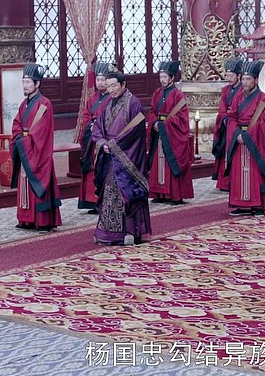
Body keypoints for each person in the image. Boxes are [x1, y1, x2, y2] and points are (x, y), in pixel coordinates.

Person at [91, 71, 152, 246]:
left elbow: (134, 131)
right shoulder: (107, 104)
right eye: (108, 86)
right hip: (110, 155)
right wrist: (102, 143)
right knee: (109, 193)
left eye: (114, 86)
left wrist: (113, 145)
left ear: (123, 84)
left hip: (127, 156)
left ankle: (130, 232)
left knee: (125, 192)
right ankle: (107, 232)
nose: (111, 90)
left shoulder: (133, 103)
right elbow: (98, 127)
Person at [10, 63, 62, 231]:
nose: (25, 86)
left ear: (37, 83)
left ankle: (43, 221)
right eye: (23, 82)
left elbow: (41, 131)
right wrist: (19, 137)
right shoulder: (23, 104)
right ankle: (26, 220)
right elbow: (17, 123)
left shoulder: (45, 104)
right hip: (26, 147)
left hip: (38, 151)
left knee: (39, 180)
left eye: (28, 82)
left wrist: (25, 141)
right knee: (25, 183)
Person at [225, 61, 265, 216]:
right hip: (239, 138)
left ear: (255, 80)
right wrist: (236, 133)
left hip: (254, 141)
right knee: (239, 172)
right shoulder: (238, 97)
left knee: (255, 171)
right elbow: (231, 117)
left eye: (248, 79)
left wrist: (247, 136)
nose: (245, 82)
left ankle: (258, 205)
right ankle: (241, 204)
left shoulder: (263, 99)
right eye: (243, 79)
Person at [148, 60, 194, 205]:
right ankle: (159, 193)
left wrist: (163, 125)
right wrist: (155, 122)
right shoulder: (157, 93)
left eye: (165, 77)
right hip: (159, 131)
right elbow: (152, 110)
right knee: (158, 162)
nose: (162, 80)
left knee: (170, 162)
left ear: (172, 78)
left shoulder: (178, 95)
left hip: (171, 133)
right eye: (160, 77)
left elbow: (181, 118)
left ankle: (175, 195)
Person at [78, 61, 114, 212]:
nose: (100, 83)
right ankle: (91, 201)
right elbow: (86, 116)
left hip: (102, 139)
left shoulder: (112, 99)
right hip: (91, 140)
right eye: (98, 80)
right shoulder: (92, 98)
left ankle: (103, 201)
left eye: (103, 80)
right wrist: (90, 126)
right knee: (91, 168)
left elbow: (111, 119)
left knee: (102, 168)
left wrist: (97, 127)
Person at [212, 57, 243, 191]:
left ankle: (233, 182)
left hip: (235, 125)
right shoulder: (225, 90)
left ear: (238, 76)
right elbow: (222, 108)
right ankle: (223, 183)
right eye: (227, 75)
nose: (229, 78)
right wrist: (225, 118)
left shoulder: (243, 90)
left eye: (231, 76)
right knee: (224, 152)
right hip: (226, 124)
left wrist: (231, 119)